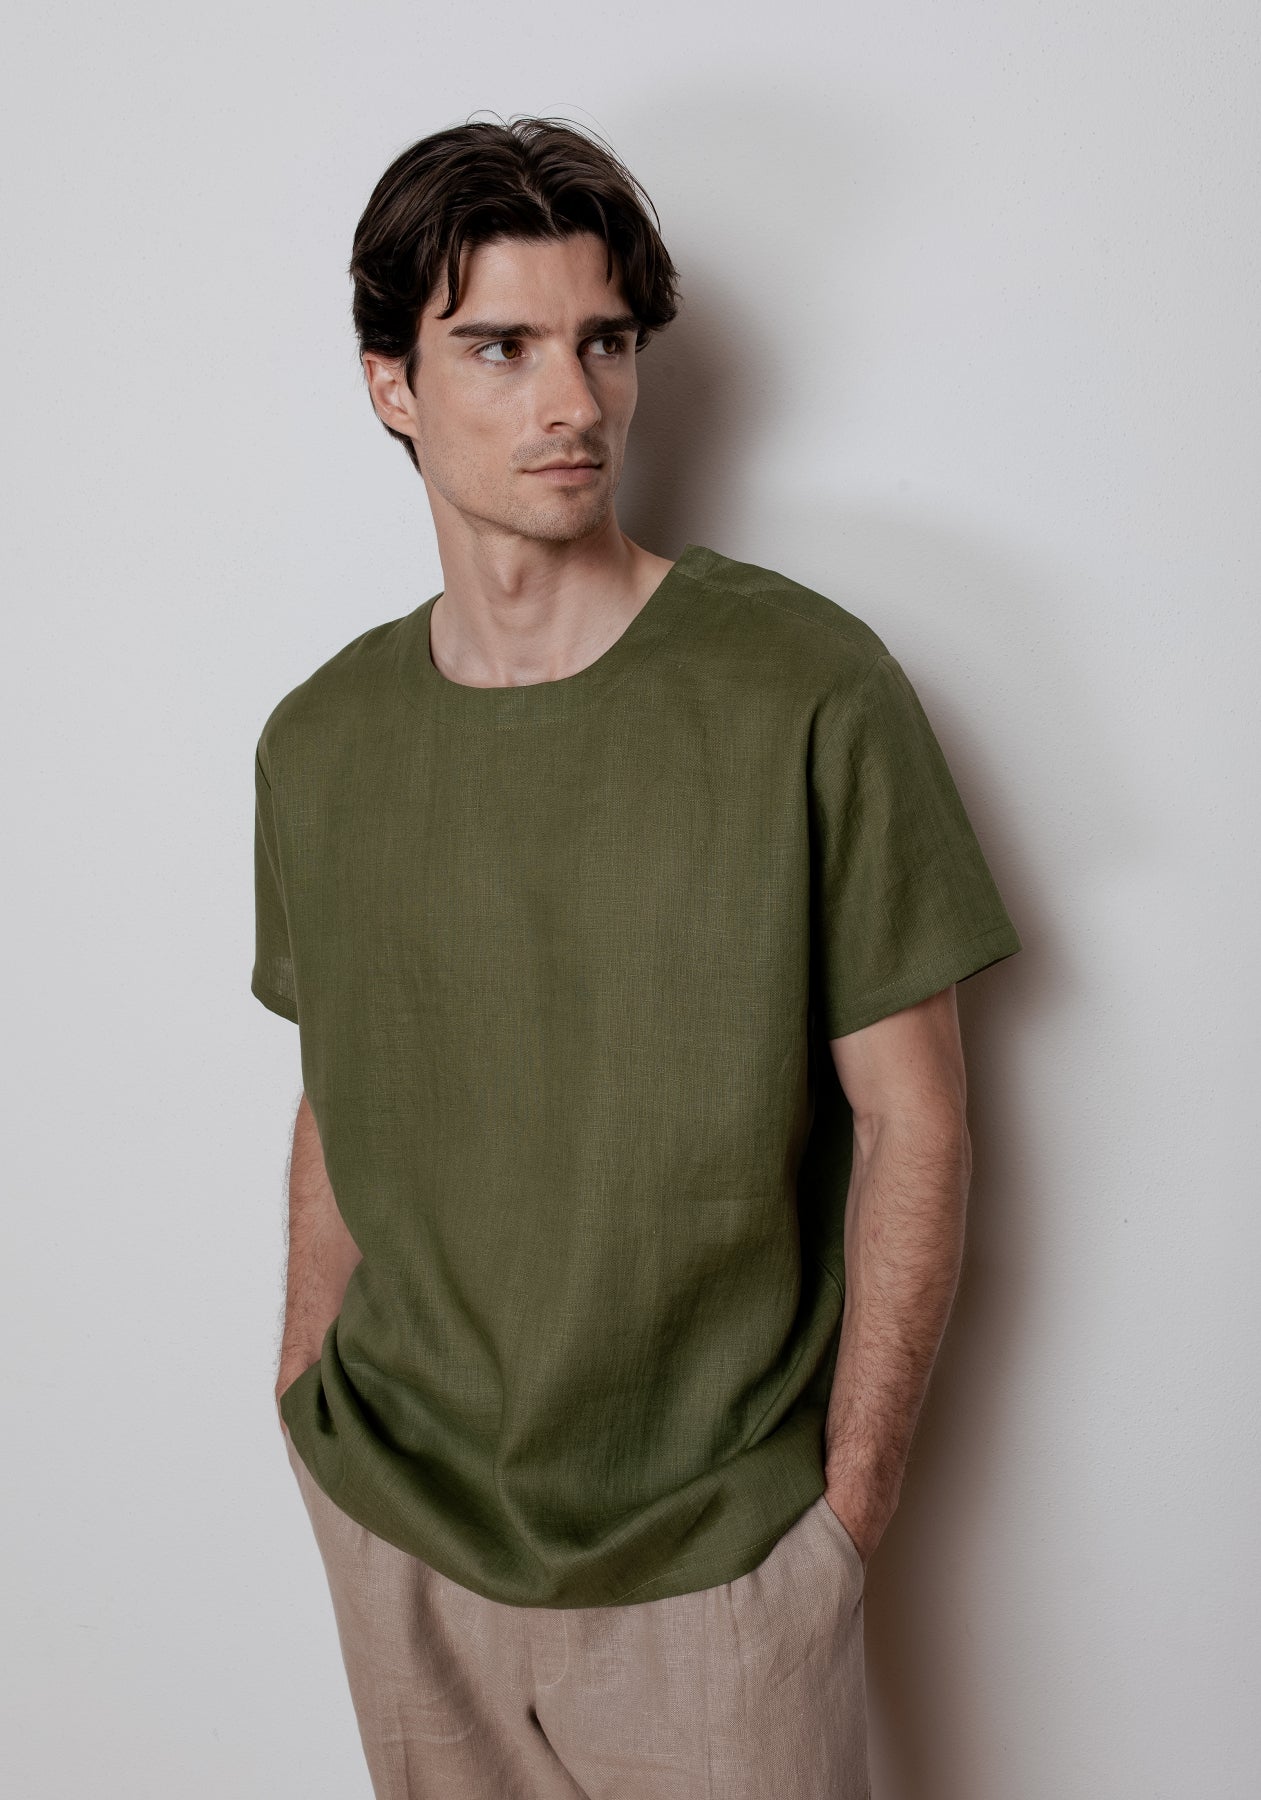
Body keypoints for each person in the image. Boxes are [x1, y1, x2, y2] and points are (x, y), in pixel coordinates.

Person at [251, 114, 1022, 1800]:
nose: (572, 401)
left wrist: (841, 1516)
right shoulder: (320, 742)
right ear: (390, 385)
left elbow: (916, 1119)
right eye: (499, 347)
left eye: (603, 342)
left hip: (715, 1564)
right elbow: (339, 1090)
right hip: (403, 1526)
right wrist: (303, 1384)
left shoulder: (804, 688)